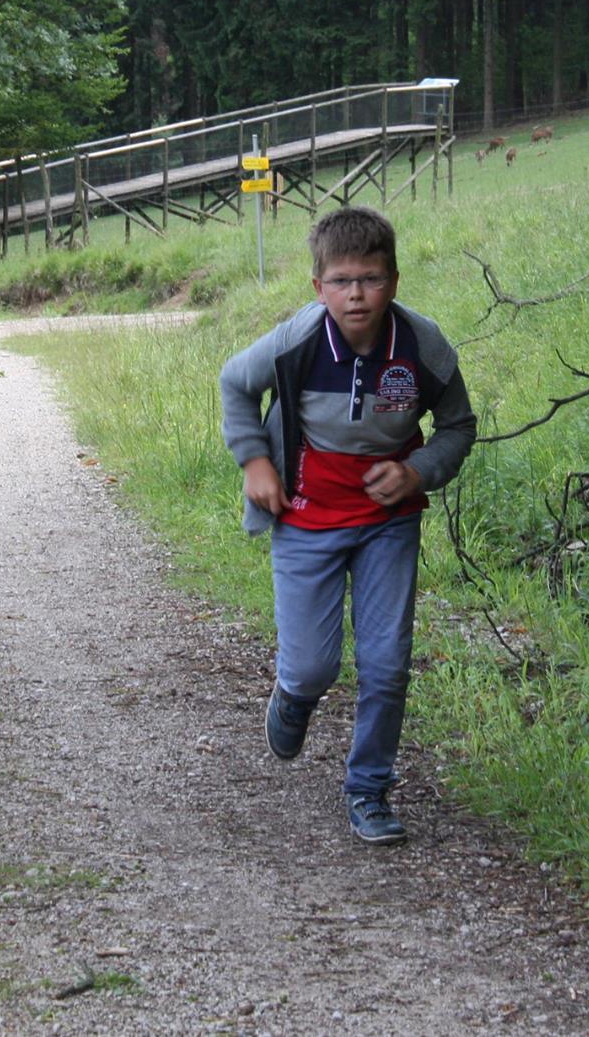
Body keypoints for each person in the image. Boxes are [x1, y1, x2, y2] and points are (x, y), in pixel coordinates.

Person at [217, 207, 475, 845]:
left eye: (371, 279)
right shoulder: (299, 340)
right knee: (312, 667)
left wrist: (417, 472)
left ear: (394, 280)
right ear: (318, 287)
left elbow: (458, 426)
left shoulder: (422, 345)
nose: (356, 294)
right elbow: (235, 383)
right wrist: (255, 462)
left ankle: (369, 789)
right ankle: (293, 694)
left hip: (389, 521)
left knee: (386, 665)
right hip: (306, 517)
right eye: (340, 281)